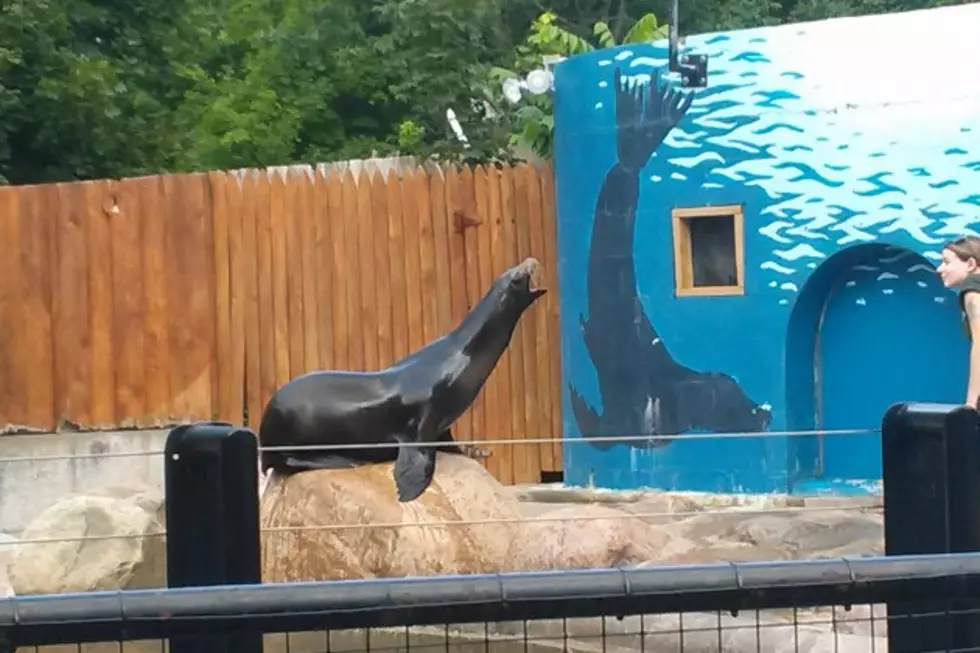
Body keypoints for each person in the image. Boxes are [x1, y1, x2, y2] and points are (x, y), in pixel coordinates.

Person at [937, 235, 980, 408]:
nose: (940, 269)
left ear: (970, 264)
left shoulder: (973, 287)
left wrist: (971, 403)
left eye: (947, 262)